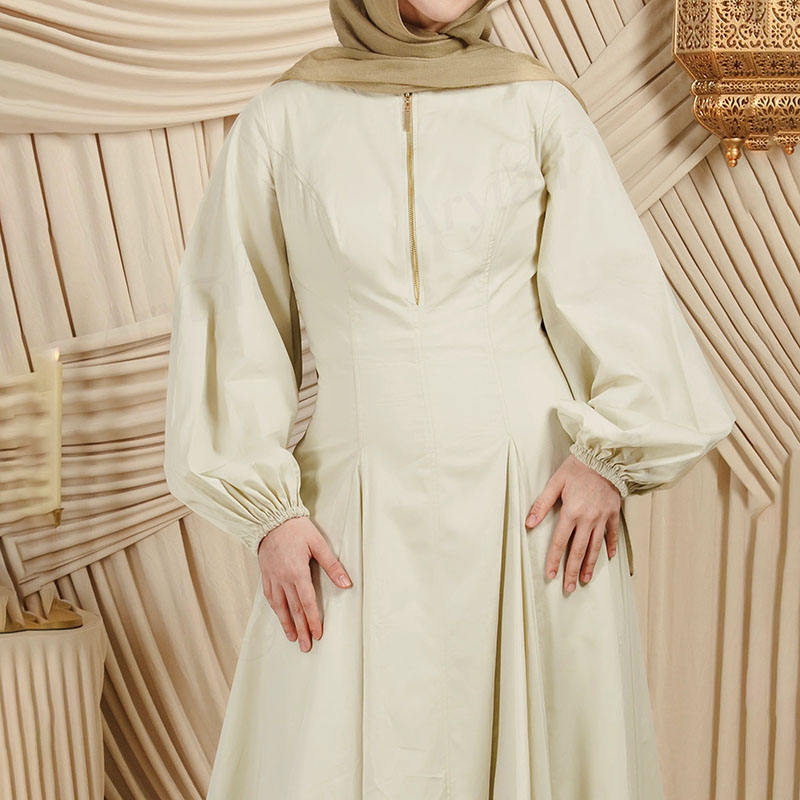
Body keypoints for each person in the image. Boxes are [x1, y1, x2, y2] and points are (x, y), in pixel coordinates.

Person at [163, 1, 736, 797]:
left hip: (532, 500)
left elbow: (618, 289)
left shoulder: (537, 106)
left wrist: (611, 457)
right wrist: (267, 515)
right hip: (353, 506)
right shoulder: (283, 119)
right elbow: (234, 315)